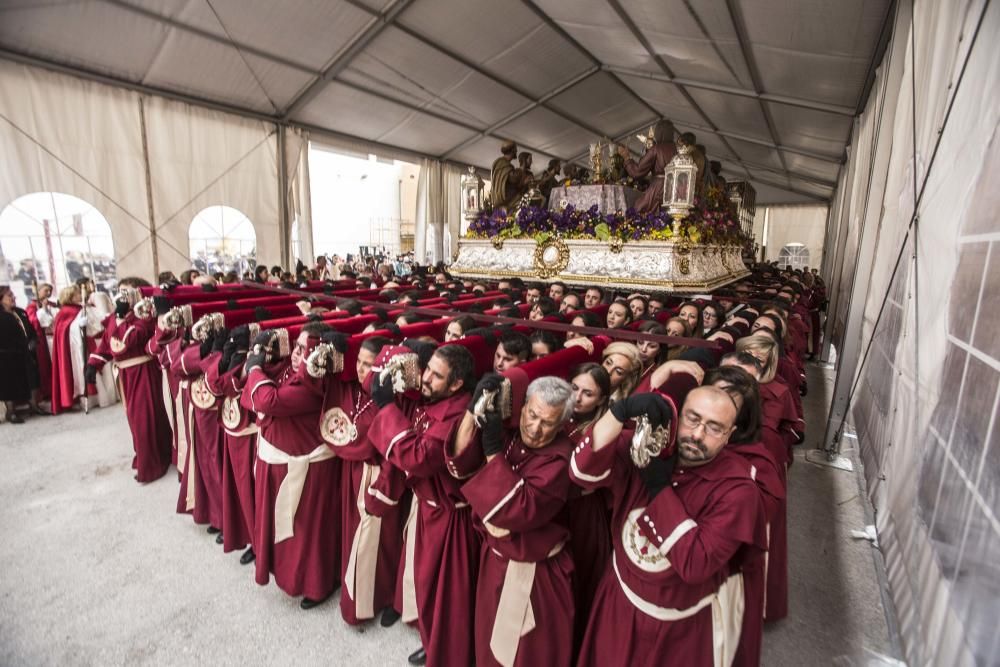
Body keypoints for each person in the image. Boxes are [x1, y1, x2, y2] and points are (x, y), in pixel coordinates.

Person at [572, 386, 766, 666]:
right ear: (679, 415)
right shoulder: (650, 448)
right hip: (619, 601)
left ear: (729, 435)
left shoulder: (738, 490)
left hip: (681, 626)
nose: (698, 434)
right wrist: (618, 412)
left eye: (714, 428)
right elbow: (581, 471)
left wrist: (658, 488)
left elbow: (696, 563)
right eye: (692, 419)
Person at [451, 375, 577, 667]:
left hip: (533, 572)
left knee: (525, 654)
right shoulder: (512, 433)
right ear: (522, 407)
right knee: (487, 633)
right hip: (495, 554)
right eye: (532, 414)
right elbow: (460, 462)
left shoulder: (558, 459)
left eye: (548, 423)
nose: (535, 428)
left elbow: (519, 510)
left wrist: (493, 450)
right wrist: (473, 410)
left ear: (561, 426)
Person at [367, 344, 480, 667]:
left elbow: (419, 456)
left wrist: (387, 407)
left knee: (446, 594)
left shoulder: (457, 415)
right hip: (429, 507)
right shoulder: (440, 396)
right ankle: (431, 638)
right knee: (425, 582)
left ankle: (443, 653)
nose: (426, 378)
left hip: (450, 519)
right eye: (427, 369)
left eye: (435, 374)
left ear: (457, 384)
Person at [242, 323, 342, 609]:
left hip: (308, 473)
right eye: (295, 347)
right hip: (289, 465)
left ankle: (317, 584)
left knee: (308, 532)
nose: (295, 355)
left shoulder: (313, 387)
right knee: (295, 531)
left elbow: (266, 399)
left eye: (302, 350)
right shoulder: (302, 378)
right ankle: (296, 577)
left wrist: (254, 369)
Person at [704, 364, 783, 667]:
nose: (717, 404)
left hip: (718, 581)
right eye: (712, 393)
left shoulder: (756, 467)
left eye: (729, 400)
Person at [86, 288, 172, 482]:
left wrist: (118, 318)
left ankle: (151, 466)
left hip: (143, 371)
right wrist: (94, 363)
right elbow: (107, 345)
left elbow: (128, 339)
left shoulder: (143, 319)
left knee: (145, 418)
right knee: (135, 420)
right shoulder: (115, 318)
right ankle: (146, 456)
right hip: (125, 374)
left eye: (129, 292)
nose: (123, 297)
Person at [564, 363, 614, 653]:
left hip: (582, 513)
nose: (578, 397)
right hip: (554, 505)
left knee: (579, 579)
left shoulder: (600, 430)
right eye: (574, 388)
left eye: (588, 393)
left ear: (602, 400)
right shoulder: (557, 414)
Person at [617, 120, 677, 214]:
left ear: (659, 133)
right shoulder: (677, 149)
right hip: (675, 189)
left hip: (659, 188)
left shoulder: (656, 149)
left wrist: (627, 157)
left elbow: (637, 172)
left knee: (639, 209)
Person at [0, 285, 36, 423]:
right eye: (9, 295)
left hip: (25, 352)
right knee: (9, 384)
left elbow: (31, 331)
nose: (13, 297)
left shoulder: (20, 312)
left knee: (32, 378)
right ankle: (11, 411)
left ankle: (34, 405)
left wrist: (32, 342)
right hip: (6, 356)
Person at [49, 285, 84, 415]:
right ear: (71, 297)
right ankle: (69, 399)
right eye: (77, 293)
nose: (80, 295)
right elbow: (63, 331)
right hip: (70, 349)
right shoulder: (65, 311)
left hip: (77, 345)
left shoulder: (78, 309)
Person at [25, 282, 55, 402]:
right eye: (45, 290)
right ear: (38, 291)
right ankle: (46, 391)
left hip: (51, 338)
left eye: (50, 291)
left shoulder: (50, 304)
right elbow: (32, 321)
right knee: (43, 366)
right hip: (41, 339)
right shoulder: (32, 306)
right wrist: (42, 311)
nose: (48, 293)